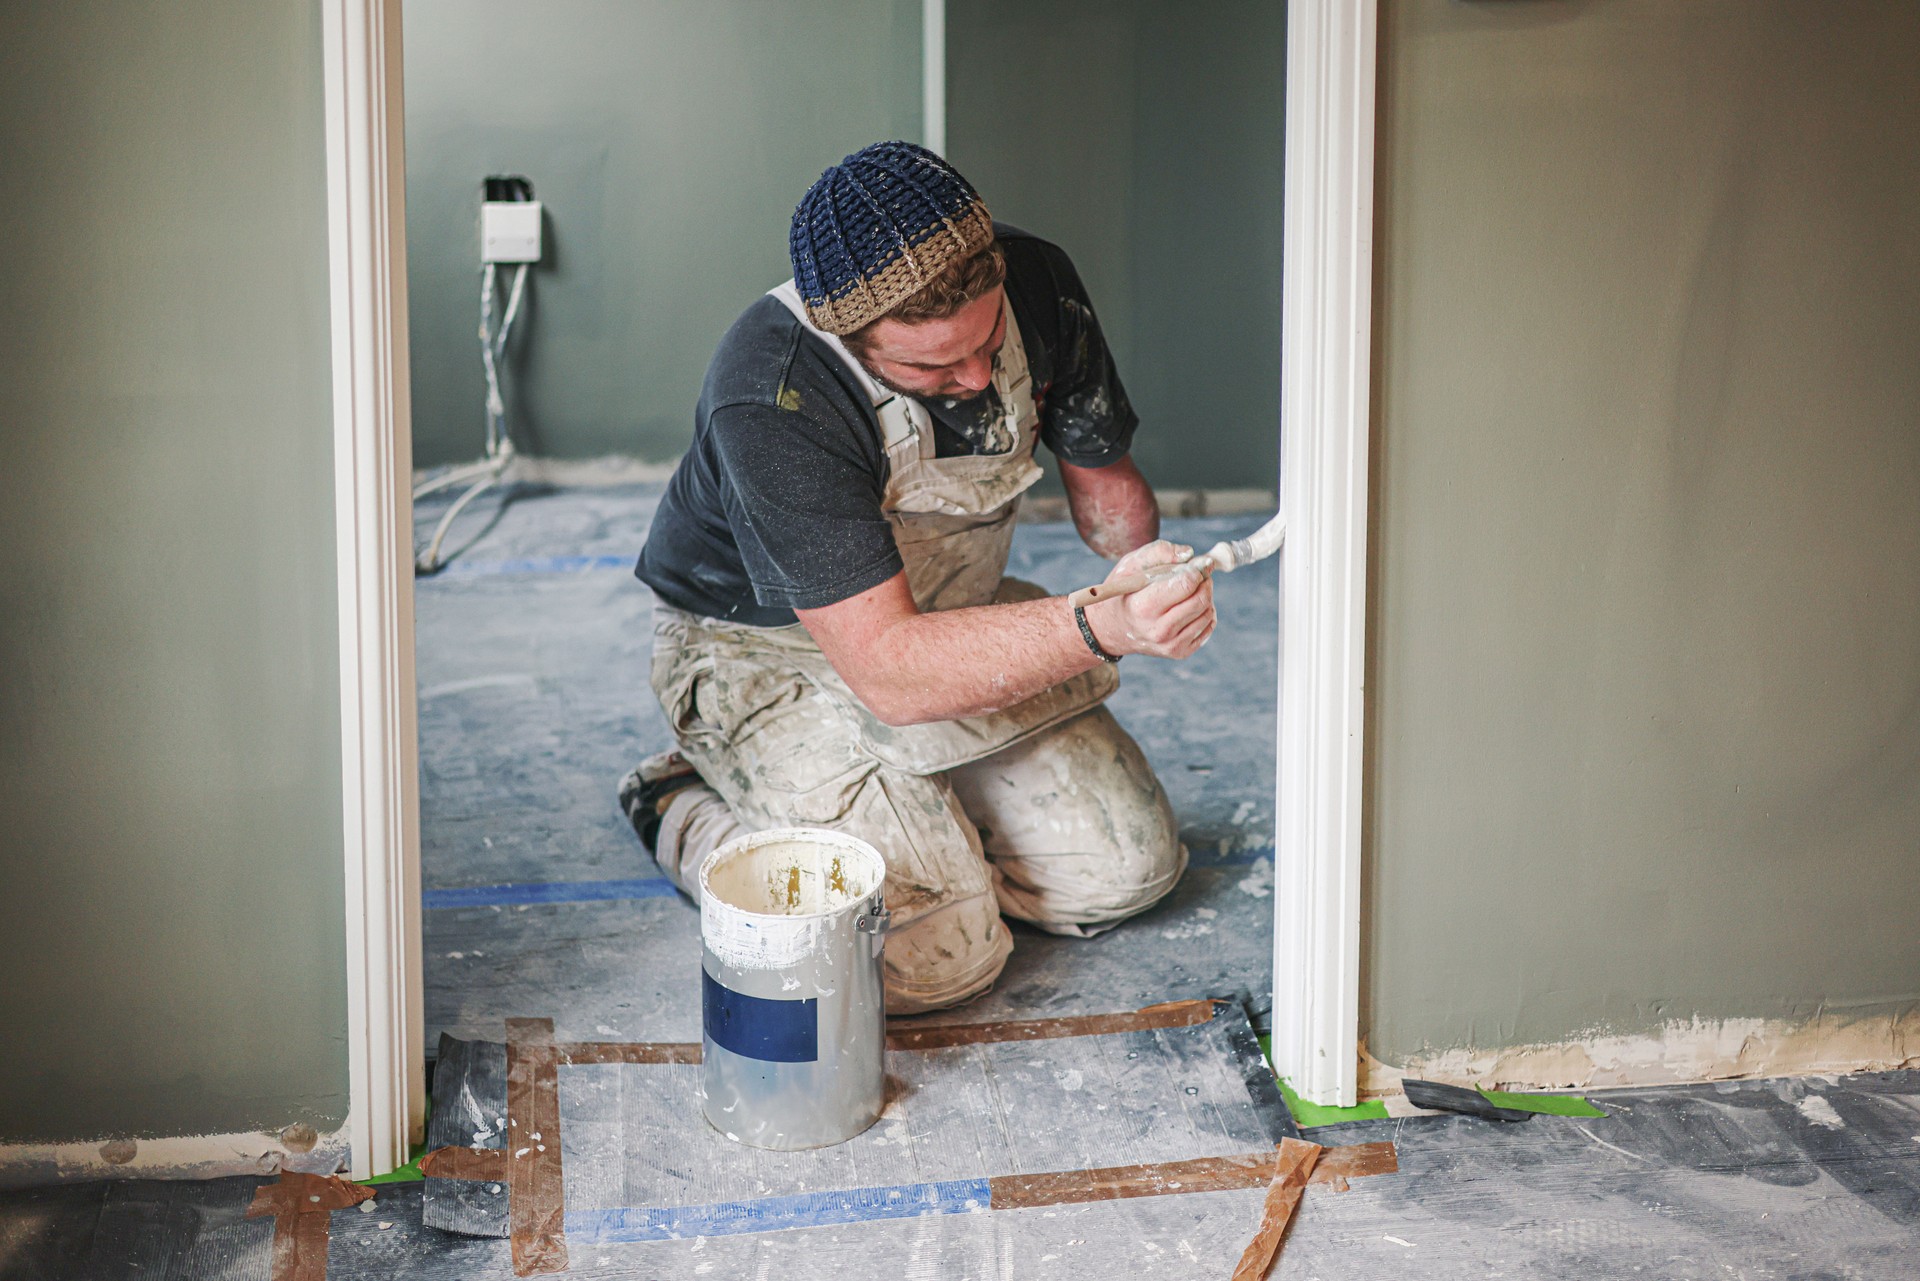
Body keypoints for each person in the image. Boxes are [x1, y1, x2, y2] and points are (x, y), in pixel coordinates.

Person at [621, 141, 1215, 1013]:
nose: (974, 379)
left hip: (947, 617)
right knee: (928, 957)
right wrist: (1107, 627)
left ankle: (915, 815)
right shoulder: (776, 392)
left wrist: (1149, 559)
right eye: (933, 369)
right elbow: (891, 671)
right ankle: (683, 799)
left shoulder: (1040, 283)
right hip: (761, 651)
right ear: (849, 341)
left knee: (1127, 867)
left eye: (984, 345)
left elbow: (1113, 515)